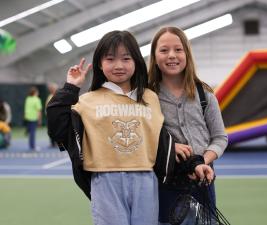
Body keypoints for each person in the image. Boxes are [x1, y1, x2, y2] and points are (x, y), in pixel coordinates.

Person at [47, 30, 214, 225]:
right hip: (105, 180)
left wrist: (188, 159)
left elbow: (160, 136)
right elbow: (57, 127)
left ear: (136, 62)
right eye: (110, 59)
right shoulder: (87, 101)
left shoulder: (150, 98)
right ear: (100, 64)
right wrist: (70, 88)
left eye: (126, 59)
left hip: (146, 180)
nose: (119, 66)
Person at [148, 27, 228, 224]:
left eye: (178, 49)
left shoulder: (205, 95)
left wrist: (203, 161)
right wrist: (168, 148)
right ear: (154, 56)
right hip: (165, 185)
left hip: (202, 183)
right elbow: (142, 136)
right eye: (164, 50)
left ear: (187, 53)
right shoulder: (146, 97)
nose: (172, 56)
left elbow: (220, 138)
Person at [24, 86, 42, 151]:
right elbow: (39, 111)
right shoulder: (37, 99)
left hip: (27, 117)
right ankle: (33, 146)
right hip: (33, 118)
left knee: (31, 131)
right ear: (35, 92)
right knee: (32, 132)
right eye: (37, 92)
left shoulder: (28, 98)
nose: (38, 93)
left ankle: (31, 144)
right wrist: (39, 120)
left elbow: (26, 108)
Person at [45, 82, 58, 148]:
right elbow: (47, 106)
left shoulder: (58, 96)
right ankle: (52, 143)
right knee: (50, 130)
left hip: (56, 116)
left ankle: (56, 143)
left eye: (52, 88)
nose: (51, 89)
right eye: (51, 88)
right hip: (50, 116)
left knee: (56, 130)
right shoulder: (49, 96)